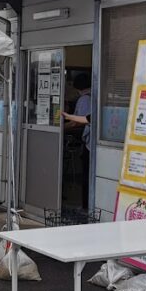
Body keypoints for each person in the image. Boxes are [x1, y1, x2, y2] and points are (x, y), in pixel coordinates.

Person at [62, 72, 92, 205]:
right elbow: (85, 119)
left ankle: (86, 205)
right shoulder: (94, 96)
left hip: (89, 143)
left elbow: (81, 121)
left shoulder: (84, 99)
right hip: (92, 141)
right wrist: (69, 117)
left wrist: (62, 126)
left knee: (87, 174)